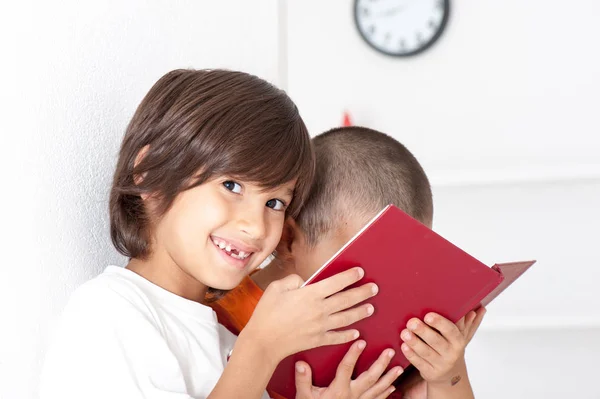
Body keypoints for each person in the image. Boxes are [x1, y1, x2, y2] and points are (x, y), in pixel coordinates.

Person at [39, 70, 401, 399]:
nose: (256, 226)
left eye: (275, 203)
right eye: (231, 185)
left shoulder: (227, 343)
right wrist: (261, 347)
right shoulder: (108, 312)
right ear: (149, 173)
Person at [211, 126, 486, 399]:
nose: (380, 288)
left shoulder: (393, 328)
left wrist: (447, 374)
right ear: (288, 239)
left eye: (402, 267)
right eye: (364, 265)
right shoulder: (221, 319)